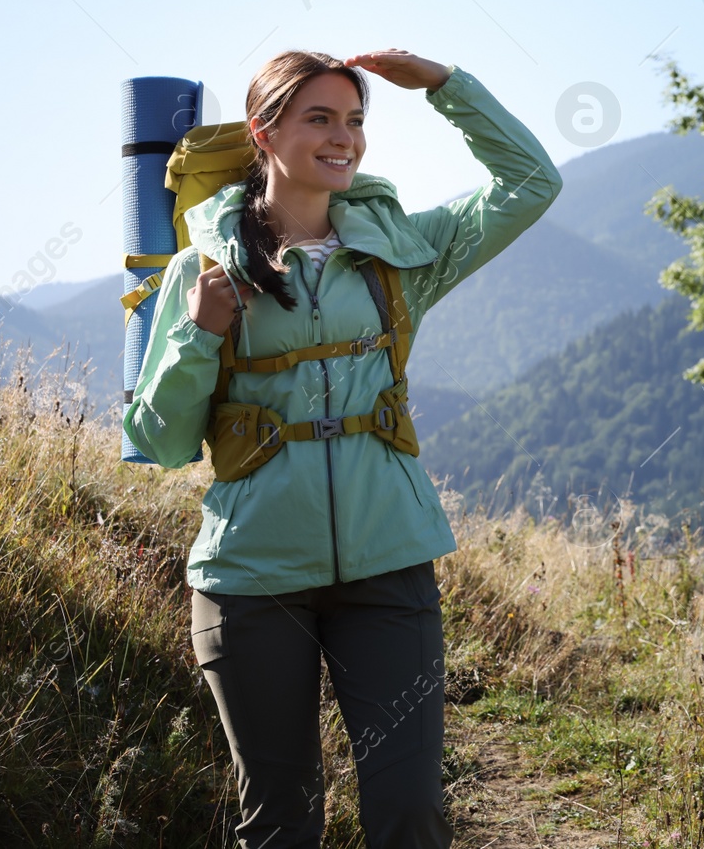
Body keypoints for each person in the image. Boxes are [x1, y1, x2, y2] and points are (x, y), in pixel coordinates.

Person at [122, 48, 563, 848]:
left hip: (389, 569)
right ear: (264, 131)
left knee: (410, 816)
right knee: (282, 823)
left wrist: (444, 86)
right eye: (319, 117)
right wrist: (196, 334)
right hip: (251, 583)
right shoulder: (203, 268)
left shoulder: (404, 256)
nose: (344, 137)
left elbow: (533, 183)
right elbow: (157, 438)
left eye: (355, 119)